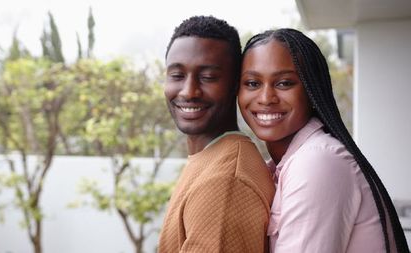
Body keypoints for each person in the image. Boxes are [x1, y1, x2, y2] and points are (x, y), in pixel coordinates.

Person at [238, 28, 410, 253]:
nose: (266, 98)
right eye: (252, 83)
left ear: (311, 90)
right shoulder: (282, 166)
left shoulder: (317, 162)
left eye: (284, 83)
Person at [158, 16, 275, 253]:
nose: (189, 91)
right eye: (177, 75)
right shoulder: (211, 158)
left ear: (235, 85)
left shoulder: (225, 181)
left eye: (208, 77)